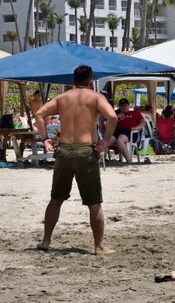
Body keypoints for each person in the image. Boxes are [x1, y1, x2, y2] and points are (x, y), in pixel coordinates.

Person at [34, 65, 117, 256]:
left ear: (74, 80)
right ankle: (98, 246)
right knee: (93, 202)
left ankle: (46, 241)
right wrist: (105, 141)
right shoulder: (96, 97)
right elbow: (112, 117)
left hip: (64, 152)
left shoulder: (62, 98)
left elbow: (39, 114)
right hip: (85, 152)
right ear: (91, 80)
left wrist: (45, 138)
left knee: (56, 199)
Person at [110, 98, 144, 163]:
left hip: (129, 132)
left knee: (120, 140)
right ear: (119, 107)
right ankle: (102, 160)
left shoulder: (135, 113)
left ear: (128, 105)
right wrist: (116, 118)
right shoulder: (117, 115)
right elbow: (109, 125)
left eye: (125, 105)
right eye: (122, 106)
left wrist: (137, 127)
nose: (124, 107)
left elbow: (143, 122)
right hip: (117, 132)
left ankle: (129, 160)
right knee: (105, 142)